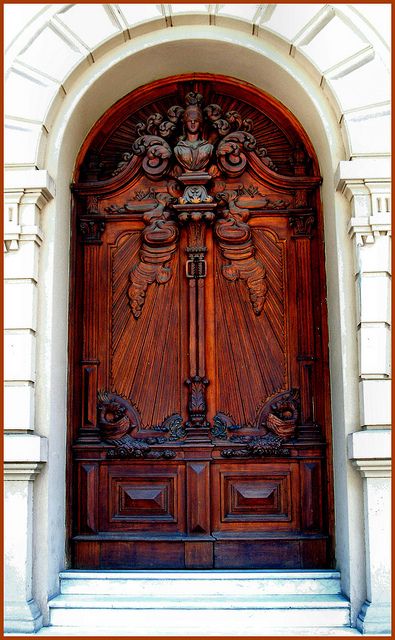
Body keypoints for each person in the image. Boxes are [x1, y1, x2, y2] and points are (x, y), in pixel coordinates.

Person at [174, 105, 213, 171]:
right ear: (185, 124)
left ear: (200, 123)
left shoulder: (208, 147)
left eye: (196, 120)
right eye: (189, 120)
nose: (193, 123)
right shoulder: (178, 149)